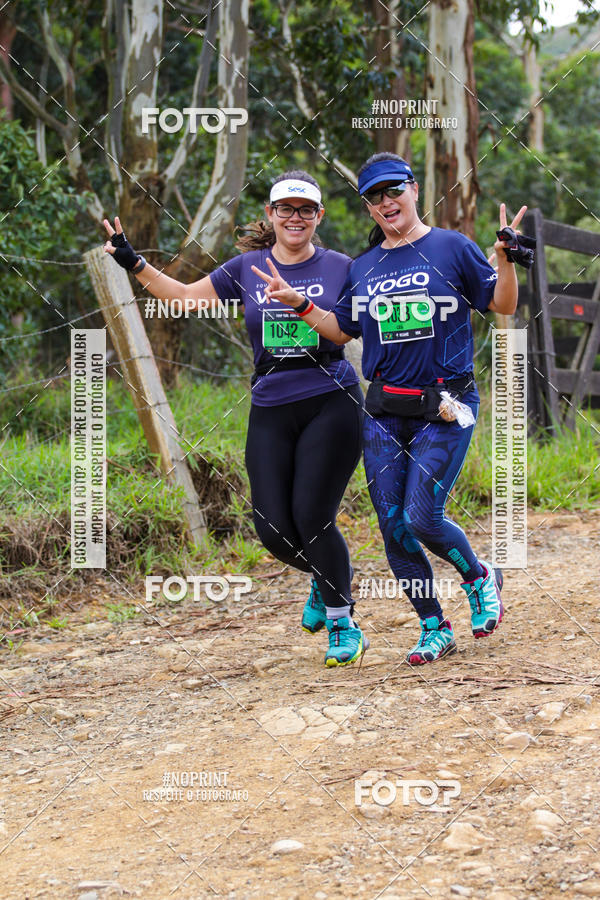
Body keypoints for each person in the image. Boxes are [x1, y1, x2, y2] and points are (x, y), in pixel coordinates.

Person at [251, 152, 526, 665]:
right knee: (393, 524)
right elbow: (341, 330)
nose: (385, 202)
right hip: (382, 412)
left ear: (414, 189)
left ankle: (479, 577)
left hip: (446, 404)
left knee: (423, 517)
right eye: (373, 197)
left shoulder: (452, 247)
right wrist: (298, 303)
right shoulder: (364, 266)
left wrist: (505, 260)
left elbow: (503, 305)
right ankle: (432, 625)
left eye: (393, 190)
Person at [103, 170, 369, 668]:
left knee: (312, 518)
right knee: (271, 529)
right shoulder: (246, 267)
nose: (295, 217)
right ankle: (325, 576)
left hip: (331, 401)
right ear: (270, 214)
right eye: (285, 209)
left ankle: (342, 622)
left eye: (305, 209)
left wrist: (301, 302)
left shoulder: (341, 268)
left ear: (319, 217)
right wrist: (133, 262)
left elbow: (346, 335)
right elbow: (183, 297)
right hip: (271, 405)